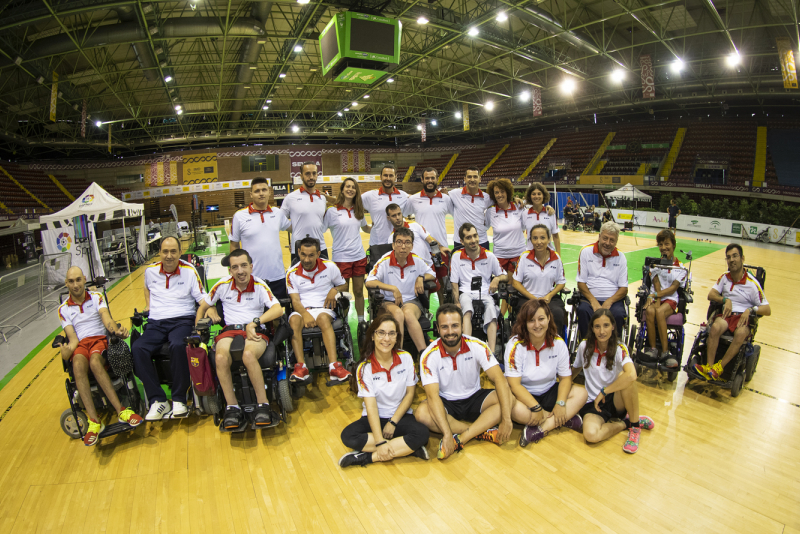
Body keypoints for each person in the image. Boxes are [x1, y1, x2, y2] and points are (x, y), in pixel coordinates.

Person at [414, 304, 519, 459]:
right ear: (437, 327)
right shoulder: (429, 355)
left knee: (509, 397)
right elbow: (432, 396)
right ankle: (480, 431)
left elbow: (499, 379)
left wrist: (507, 419)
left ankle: (463, 437)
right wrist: (447, 433)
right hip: (446, 402)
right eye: (445, 327)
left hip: (474, 397)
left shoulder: (477, 345)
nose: (450, 332)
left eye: (455, 326)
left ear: (462, 325)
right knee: (421, 414)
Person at [196, 249, 285, 429]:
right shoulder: (222, 285)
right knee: (220, 357)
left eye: (244, 265)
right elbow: (203, 306)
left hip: (254, 329)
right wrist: (200, 323)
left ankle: (263, 404)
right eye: (235, 267)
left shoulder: (260, 285)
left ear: (251, 267)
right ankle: (232, 407)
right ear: (230, 270)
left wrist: (256, 322)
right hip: (230, 331)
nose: (240, 271)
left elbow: (278, 309)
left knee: (248, 355)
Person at [58, 266, 142, 446]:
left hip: (99, 340)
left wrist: (117, 331)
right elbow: (72, 339)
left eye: (78, 280)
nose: (75, 285)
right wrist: (66, 352)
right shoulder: (63, 309)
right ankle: (94, 421)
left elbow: (107, 319)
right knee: (78, 365)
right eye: (71, 281)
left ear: (84, 279)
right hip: (81, 344)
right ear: (66, 284)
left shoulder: (96, 297)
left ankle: (121, 411)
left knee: (95, 362)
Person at [338, 315, 430, 467]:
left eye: (391, 333)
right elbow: (371, 406)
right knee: (348, 436)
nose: (386, 339)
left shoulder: (406, 358)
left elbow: (409, 394)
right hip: (374, 418)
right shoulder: (364, 367)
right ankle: (407, 448)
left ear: (396, 337)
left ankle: (367, 458)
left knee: (422, 433)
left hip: (400, 416)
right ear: (373, 336)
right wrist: (380, 441)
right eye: (381, 333)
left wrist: (393, 422)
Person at [133, 236, 208, 420]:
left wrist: (210, 309)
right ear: (159, 253)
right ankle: (158, 400)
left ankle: (179, 398)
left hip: (182, 319)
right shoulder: (150, 272)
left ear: (180, 253)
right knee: (137, 348)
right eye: (165, 251)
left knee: (177, 345)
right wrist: (148, 305)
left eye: (173, 251)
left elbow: (202, 299)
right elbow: (146, 288)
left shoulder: (189, 271)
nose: (169, 256)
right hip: (156, 322)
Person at [505, 299, 587, 446]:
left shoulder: (558, 343)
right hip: (524, 396)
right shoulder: (515, 345)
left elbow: (566, 379)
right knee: (509, 406)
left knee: (582, 393)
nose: (537, 325)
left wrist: (561, 403)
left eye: (541, 319)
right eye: (531, 320)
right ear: (524, 323)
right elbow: (515, 385)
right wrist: (536, 408)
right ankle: (562, 420)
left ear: (549, 318)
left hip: (549, 391)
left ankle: (541, 428)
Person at [572, 309, 654, 454]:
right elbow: (575, 369)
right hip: (593, 403)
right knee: (591, 435)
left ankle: (635, 428)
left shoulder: (619, 348)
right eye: (597, 326)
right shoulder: (584, 346)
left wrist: (604, 391)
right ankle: (626, 423)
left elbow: (632, 375)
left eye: (606, 325)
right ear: (592, 328)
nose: (602, 331)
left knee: (627, 376)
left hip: (615, 399)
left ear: (613, 327)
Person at [694, 244, 770, 381]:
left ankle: (719, 367)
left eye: (735, 256)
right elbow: (711, 295)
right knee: (715, 327)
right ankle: (709, 367)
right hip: (727, 315)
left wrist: (751, 309)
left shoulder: (752, 283)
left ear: (742, 258)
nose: (732, 260)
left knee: (741, 333)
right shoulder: (724, 277)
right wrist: (725, 300)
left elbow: (767, 309)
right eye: (728, 257)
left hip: (743, 317)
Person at [286, 237, 351, 383]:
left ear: (318, 253)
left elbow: (344, 285)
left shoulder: (330, 266)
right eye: (303, 254)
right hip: (303, 309)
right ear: (298, 252)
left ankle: (334, 366)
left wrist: (334, 290)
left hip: (324, 309)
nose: (307, 259)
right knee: (294, 320)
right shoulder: (291, 273)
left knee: (322, 317)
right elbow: (295, 301)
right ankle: (301, 367)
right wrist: (305, 314)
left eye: (311, 255)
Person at [365, 227, 436, 353]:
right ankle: (399, 354)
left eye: (407, 242)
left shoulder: (416, 260)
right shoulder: (384, 261)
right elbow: (369, 281)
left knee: (408, 314)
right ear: (393, 245)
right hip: (388, 301)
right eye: (399, 242)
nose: (403, 246)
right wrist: (392, 288)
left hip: (410, 301)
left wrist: (421, 277)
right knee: (398, 314)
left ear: (412, 246)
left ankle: (423, 354)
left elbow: (432, 274)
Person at [230, 177, 292, 300]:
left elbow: (294, 229)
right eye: (257, 191)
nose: (261, 193)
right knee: (256, 316)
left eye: (264, 190)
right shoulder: (239, 216)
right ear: (251, 194)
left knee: (278, 315)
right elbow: (234, 245)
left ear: (269, 192)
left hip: (277, 276)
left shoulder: (277, 213)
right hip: (251, 277)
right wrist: (234, 270)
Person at [449, 223, 506, 354]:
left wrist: (496, 279)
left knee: (491, 310)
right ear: (462, 241)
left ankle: (491, 354)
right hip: (466, 293)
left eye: (475, 236)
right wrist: (456, 301)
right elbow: (454, 283)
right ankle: (466, 349)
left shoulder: (489, 256)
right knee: (467, 310)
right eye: (469, 237)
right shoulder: (457, 256)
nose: (473, 240)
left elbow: (504, 276)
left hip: (486, 293)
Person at [323, 177, 372, 328]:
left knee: (358, 291)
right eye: (347, 186)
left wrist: (381, 226)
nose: (350, 189)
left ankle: (361, 322)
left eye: (353, 187)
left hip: (358, 256)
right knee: (343, 295)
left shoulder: (359, 210)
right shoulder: (331, 212)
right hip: (341, 258)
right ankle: (343, 324)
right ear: (342, 190)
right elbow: (321, 230)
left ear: (356, 191)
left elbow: (365, 228)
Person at [403, 167, 453, 301]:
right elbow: (401, 215)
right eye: (427, 178)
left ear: (437, 179)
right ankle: (425, 314)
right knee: (424, 286)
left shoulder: (446, 199)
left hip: (440, 249)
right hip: (421, 251)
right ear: (423, 180)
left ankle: (443, 315)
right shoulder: (413, 199)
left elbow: (458, 214)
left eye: (432, 178)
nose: (430, 181)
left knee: (443, 285)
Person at [642, 230, 687, 368]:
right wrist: (655, 299)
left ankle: (665, 353)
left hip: (671, 299)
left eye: (666, 244)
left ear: (673, 245)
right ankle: (653, 350)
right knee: (650, 312)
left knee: (660, 312)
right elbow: (656, 284)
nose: (663, 247)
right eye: (660, 244)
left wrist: (655, 296)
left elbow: (673, 289)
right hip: (657, 296)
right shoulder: (655, 264)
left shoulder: (681, 268)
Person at [511, 224, 567, 333]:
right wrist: (533, 299)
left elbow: (561, 282)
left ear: (548, 239)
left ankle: (555, 344)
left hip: (549, 298)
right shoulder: (524, 257)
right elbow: (515, 283)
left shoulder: (556, 258)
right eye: (535, 238)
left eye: (542, 238)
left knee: (558, 313)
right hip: (527, 298)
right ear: (530, 240)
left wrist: (549, 296)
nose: (539, 242)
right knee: (527, 314)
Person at [576, 222, 628, 337]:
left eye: (612, 240)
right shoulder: (586, 252)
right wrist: (593, 301)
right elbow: (581, 283)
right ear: (599, 236)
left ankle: (614, 347)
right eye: (605, 238)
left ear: (616, 241)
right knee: (583, 311)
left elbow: (624, 288)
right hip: (589, 298)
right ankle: (586, 346)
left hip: (613, 301)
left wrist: (609, 301)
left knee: (619, 315)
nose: (607, 243)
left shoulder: (621, 257)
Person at [485, 178, 525, 318]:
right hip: (499, 255)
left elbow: (527, 224)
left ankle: (505, 317)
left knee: (513, 287)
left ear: (508, 192)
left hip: (518, 254)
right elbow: (483, 227)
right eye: (496, 192)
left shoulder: (519, 208)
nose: (499, 195)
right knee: (502, 289)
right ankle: (501, 317)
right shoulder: (491, 212)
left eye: (502, 191)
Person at [282, 162, 329, 266]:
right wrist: (295, 231)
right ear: (301, 176)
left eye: (314, 173)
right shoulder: (290, 198)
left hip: (320, 248)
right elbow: (280, 220)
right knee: (299, 281)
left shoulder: (322, 198)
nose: (311, 177)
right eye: (307, 174)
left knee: (323, 280)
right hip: (299, 250)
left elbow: (321, 222)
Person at [361, 164, 409, 254]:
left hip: (398, 245)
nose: (388, 178)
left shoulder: (404, 196)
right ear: (381, 177)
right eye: (385, 175)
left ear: (395, 177)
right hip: (377, 245)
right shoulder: (370, 196)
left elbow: (421, 201)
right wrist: (363, 225)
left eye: (391, 175)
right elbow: (351, 203)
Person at [449, 166, 494, 251]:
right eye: (469, 177)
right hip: (461, 241)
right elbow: (440, 196)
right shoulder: (454, 194)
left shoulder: (487, 197)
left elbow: (503, 202)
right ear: (464, 179)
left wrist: (516, 200)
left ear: (480, 179)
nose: (472, 179)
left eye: (475, 177)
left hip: (481, 241)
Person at [522, 183, 561, 255]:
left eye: (539, 194)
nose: (536, 196)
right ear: (530, 196)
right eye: (533, 194)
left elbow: (555, 236)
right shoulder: (524, 214)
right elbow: (520, 234)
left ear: (543, 196)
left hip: (548, 255)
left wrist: (559, 256)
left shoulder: (550, 213)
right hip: (531, 254)